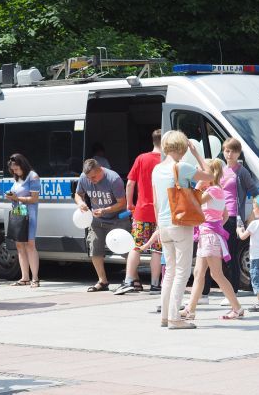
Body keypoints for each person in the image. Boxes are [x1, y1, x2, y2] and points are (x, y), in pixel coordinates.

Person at [152, 130, 213, 329]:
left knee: (169, 271)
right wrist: (196, 154)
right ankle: (174, 319)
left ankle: (164, 316)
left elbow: (155, 201)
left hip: (163, 224)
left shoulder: (157, 169)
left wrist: (158, 225)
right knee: (182, 271)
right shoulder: (182, 167)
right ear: (182, 147)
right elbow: (210, 175)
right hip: (180, 223)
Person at [198, 137, 259, 305]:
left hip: (232, 216)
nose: (229, 154)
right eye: (226, 150)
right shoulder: (219, 170)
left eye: (232, 150)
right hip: (215, 217)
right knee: (209, 254)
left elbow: (256, 193)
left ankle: (232, 292)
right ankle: (203, 294)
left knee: (229, 255)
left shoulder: (242, 171)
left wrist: (252, 215)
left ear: (238, 153)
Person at [181, 159, 244, 321]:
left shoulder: (214, 190)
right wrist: (214, 226)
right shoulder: (215, 190)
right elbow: (224, 215)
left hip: (209, 236)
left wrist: (212, 227)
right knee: (199, 272)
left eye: (204, 171)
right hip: (207, 234)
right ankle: (190, 309)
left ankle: (237, 308)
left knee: (216, 274)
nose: (200, 174)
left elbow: (193, 202)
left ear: (211, 174)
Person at [114, 129, 162, 295]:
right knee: (157, 249)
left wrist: (130, 204)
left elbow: (130, 183)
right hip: (160, 213)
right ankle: (155, 285)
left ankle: (128, 280)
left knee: (136, 246)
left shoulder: (141, 158)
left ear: (153, 140)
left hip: (141, 211)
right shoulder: (166, 161)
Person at [74, 158, 129, 292]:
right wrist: (81, 203)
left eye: (94, 177)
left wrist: (105, 210)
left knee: (126, 250)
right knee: (94, 248)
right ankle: (102, 281)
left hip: (117, 218)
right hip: (96, 220)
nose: (91, 180)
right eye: (88, 177)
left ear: (100, 170)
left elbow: (122, 203)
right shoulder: (84, 177)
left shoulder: (113, 179)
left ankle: (131, 280)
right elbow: (77, 194)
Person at [5, 153, 41, 287]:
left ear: (22, 165)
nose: (14, 171)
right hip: (18, 212)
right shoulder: (17, 178)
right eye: (13, 170)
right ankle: (25, 277)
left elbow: (34, 199)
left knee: (30, 245)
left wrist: (16, 198)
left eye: (16, 169)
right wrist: (10, 195)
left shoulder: (33, 176)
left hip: (29, 214)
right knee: (19, 245)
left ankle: (35, 278)